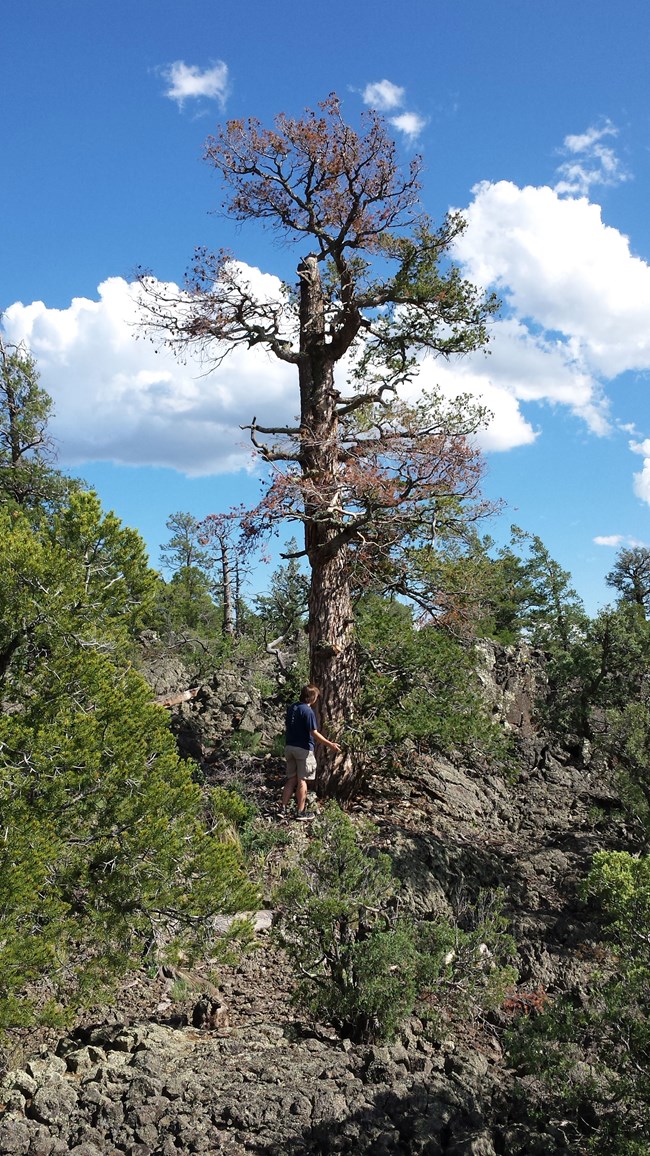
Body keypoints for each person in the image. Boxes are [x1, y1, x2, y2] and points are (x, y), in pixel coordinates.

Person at [282, 684, 341, 819]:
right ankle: (300, 812)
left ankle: (283, 808)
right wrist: (330, 744)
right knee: (302, 780)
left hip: (289, 747)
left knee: (291, 779)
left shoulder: (292, 707)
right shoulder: (308, 712)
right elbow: (313, 732)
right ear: (312, 697)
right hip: (303, 749)